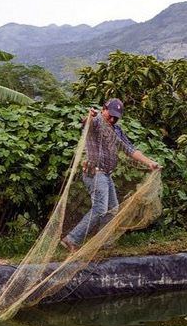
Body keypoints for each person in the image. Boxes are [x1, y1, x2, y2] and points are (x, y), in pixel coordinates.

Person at [61, 98, 160, 251]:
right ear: (104, 109)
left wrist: (149, 163)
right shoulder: (97, 121)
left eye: (116, 117)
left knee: (112, 209)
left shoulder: (117, 130)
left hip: (106, 175)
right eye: (110, 115)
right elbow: (87, 122)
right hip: (95, 173)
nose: (112, 119)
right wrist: (90, 116)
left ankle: (102, 241)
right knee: (100, 208)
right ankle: (72, 239)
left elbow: (130, 150)